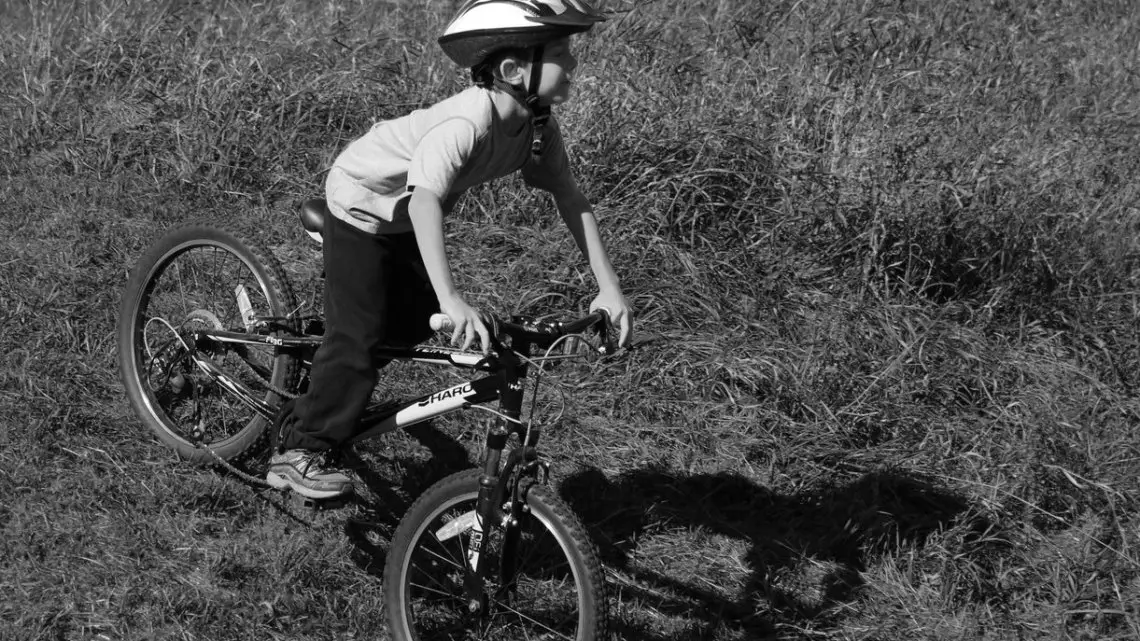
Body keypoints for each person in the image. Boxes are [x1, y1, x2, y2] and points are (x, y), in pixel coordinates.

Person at [266, 0, 634, 500]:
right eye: (562, 52)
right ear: (512, 69)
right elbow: (424, 205)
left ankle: (321, 380)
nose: (573, 64)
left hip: (402, 222)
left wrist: (608, 289)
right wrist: (451, 298)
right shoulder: (466, 122)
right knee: (361, 338)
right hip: (362, 206)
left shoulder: (536, 126)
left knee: (415, 325)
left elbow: (571, 199)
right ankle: (297, 452)